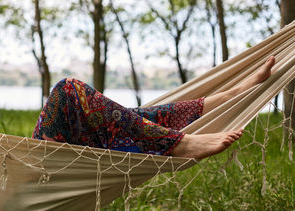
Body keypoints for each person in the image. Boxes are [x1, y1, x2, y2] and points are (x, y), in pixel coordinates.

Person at [32, 56, 276, 160]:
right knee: (67, 90)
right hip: (33, 163)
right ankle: (180, 143)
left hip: (46, 151)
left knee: (129, 118)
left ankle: (231, 95)